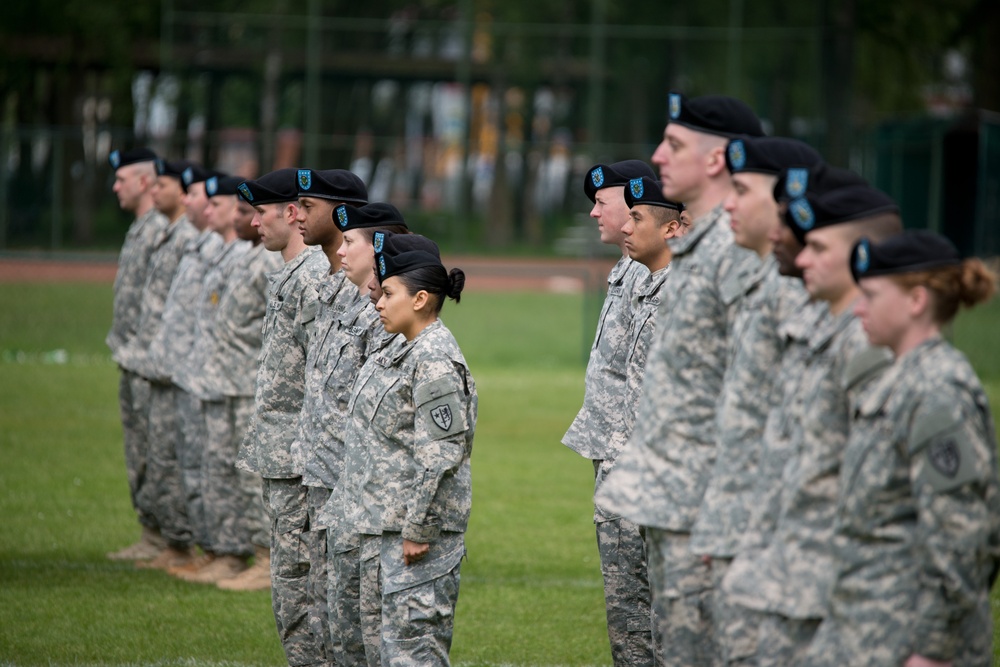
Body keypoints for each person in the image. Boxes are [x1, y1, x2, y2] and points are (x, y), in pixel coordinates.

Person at [595, 92, 764, 665]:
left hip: (710, 513)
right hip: (673, 503)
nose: (657, 156)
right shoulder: (697, 256)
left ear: (715, 160)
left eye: (674, 144)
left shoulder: (737, 256)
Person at [722, 173, 903, 665]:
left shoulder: (870, 349)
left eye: (818, 247)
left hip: (841, 591)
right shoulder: (821, 330)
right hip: (791, 572)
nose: (801, 257)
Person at [803, 231, 1000, 667]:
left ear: (916, 302)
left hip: (909, 643)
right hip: (869, 630)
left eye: (871, 295)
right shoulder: (900, 378)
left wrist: (932, 649)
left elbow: (959, 534)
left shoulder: (938, 390)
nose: (857, 308)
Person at [687, 136, 822, 665]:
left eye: (742, 190)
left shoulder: (797, 297)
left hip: (782, 550)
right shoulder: (764, 282)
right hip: (742, 528)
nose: (729, 204)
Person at [340, 238, 476, 667]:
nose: (378, 301)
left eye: (389, 293)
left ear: (420, 299)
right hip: (385, 529)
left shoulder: (433, 357)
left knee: (412, 657)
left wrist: (418, 528)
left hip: (415, 541)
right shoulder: (401, 346)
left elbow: (441, 452)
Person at [561, 159, 658, 666]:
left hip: (642, 468)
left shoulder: (667, 278)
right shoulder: (625, 270)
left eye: (604, 201)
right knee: (626, 617)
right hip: (614, 460)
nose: (595, 212)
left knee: (653, 615)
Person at [234, 168, 329, 667]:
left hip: (299, 458)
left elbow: (325, 373)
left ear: (291, 214)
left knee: (302, 589)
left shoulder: (311, 278)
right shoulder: (292, 274)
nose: (252, 224)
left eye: (260, 213)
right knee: (293, 587)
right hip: (283, 453)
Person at [291, 168, 370, 661]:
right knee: (326, 619)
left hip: (353, 486)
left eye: (307, 205)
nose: (295, 213)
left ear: (341, 213)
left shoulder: (373, 301)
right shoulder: (329, 285)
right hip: (319, 474)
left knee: (355, 628)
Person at [118, 157, 199, 571]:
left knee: (169, 452)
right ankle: (157, 534)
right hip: (143, 356)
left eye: (162, 184)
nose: (155, 192)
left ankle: (179, 540)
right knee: (147, 450)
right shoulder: (162, 230)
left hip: (167, 364)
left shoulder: (186, 236)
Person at [215, 187, 284, 591]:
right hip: (233, 379)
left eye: (256, 212)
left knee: (254, 477)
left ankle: (265, 557)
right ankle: (244, 551)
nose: (252, 221)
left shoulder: (275, 264)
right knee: (236, 471)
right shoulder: (257, 257)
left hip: (253, 385)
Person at [105, 148, 170, 561]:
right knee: (138, 447)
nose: (115, 186)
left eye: (122, 178)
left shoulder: (160, 231)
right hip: (130, 356)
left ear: (144, 182)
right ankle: (151, 532)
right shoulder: (141, 228)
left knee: (156, 447)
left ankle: (164, 536)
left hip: (149, 359)